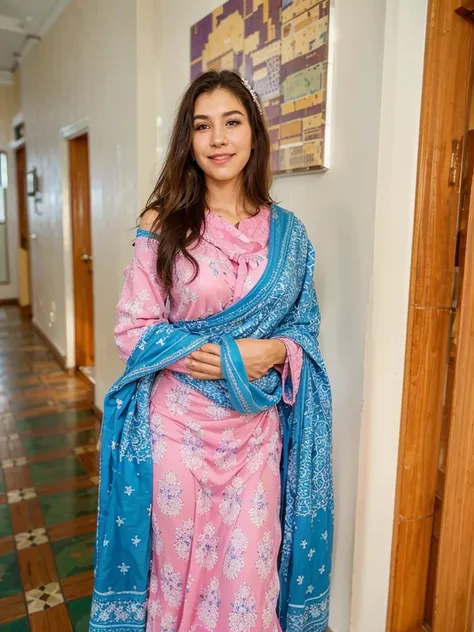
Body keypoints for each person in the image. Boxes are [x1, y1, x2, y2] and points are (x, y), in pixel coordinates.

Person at [90, 70, 333, 632]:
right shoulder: (163, 224)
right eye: (203, 127)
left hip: (254, 440)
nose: (218, 139)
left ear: (253, 134)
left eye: (232, 122)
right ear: (188, 141)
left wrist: (269, 350)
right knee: (176, 582)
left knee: (250, 580)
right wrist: (224, 354)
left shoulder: (290, 236)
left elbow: (304, 332)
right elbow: (135, 327)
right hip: (178, 436)